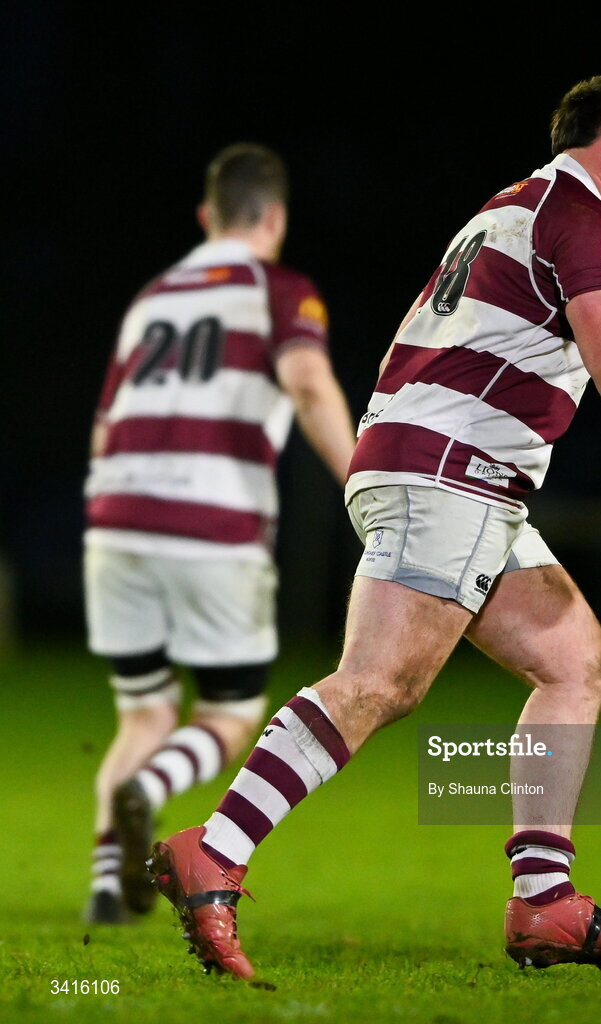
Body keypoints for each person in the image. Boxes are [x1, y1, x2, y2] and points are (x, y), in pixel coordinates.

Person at [149, 71, 601, 977]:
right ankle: (216, 849)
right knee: (380, 683)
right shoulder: (585, 217)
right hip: (451, 473)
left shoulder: (517, 203)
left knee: (576, 662)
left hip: (445, 470)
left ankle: (544, 903)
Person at [82, 143, 358, 924]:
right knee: (233, 712)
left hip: (116, 520)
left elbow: (105, 427)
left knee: (141, 711)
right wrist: (359, 486)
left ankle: (109, 882)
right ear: (273, 216)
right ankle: (154, 788)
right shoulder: (281, 288)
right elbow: (307, 383)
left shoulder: (151, 298)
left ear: (206, 217)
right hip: (212, 523)